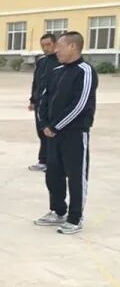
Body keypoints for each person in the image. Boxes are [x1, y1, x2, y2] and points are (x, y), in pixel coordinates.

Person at [35, 31, 98, 235]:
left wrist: (56, 126)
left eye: (59, 47)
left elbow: (80, 104)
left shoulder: (85, 71)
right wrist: (44, 124)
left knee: (76, 175)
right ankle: (58, 211)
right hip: (52, 134)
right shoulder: (56, 71)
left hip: (74, 133)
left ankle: (75, 217)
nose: (56, 51)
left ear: (72, 47)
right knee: (53, 174)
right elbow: (44, 99)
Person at [28, 34, 59, 171]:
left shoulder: (60, 61)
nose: (45, 48)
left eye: (48, 45)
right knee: (41, 131)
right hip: (40, 103)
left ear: (55, 44)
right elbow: (36, 82)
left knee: (51, 131)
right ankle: (43, 160)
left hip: (53, 102)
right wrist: (33, 100)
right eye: (43, 45)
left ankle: (52, 162)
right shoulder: (41, 61)